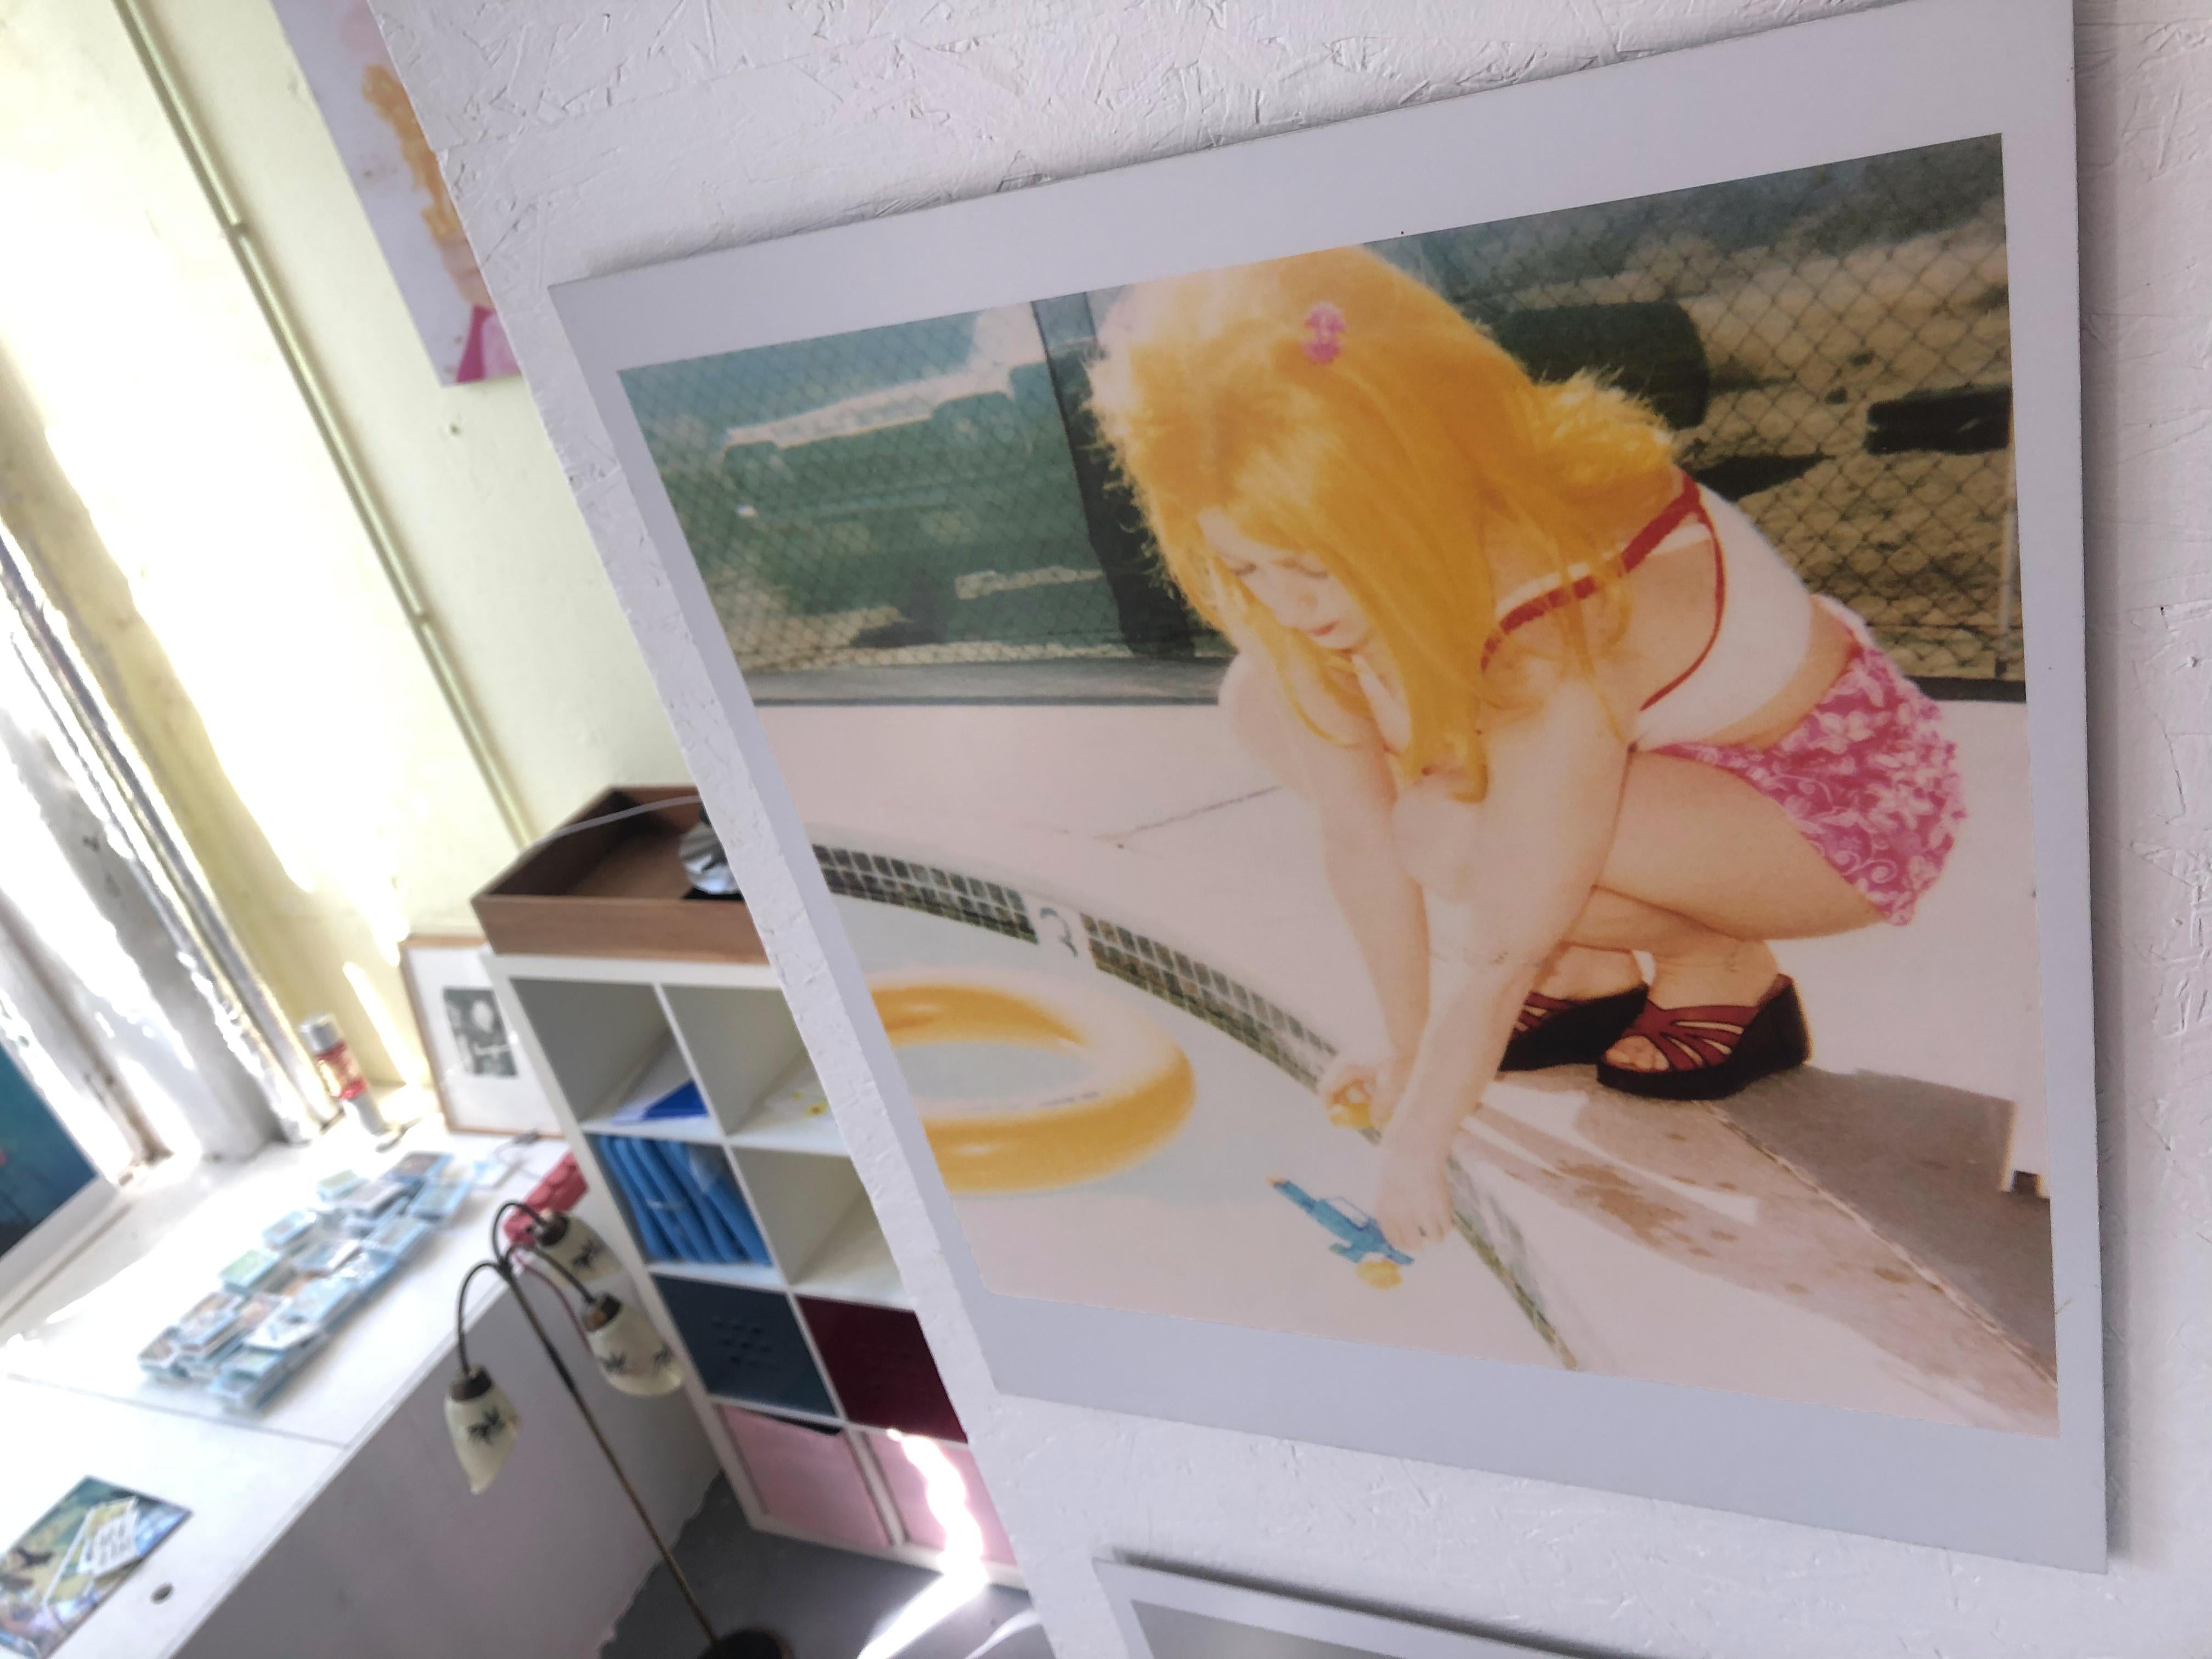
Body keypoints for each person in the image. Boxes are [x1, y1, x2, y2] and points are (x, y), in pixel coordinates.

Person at [1088, 247, 1964, 1254]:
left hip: (1836, 802)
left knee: (1460, 841)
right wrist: (1408, 1050)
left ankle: (1719, 959)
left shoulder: (1561, 618)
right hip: (1663, 771)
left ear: (1403, 510)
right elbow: (1355, 833)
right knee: (1269, 697)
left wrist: (1420, 1138)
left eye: (1315, 571)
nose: (1287, 604)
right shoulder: (1346, 552)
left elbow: (1501, 934)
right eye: (1248, 564)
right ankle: (1591, 973)